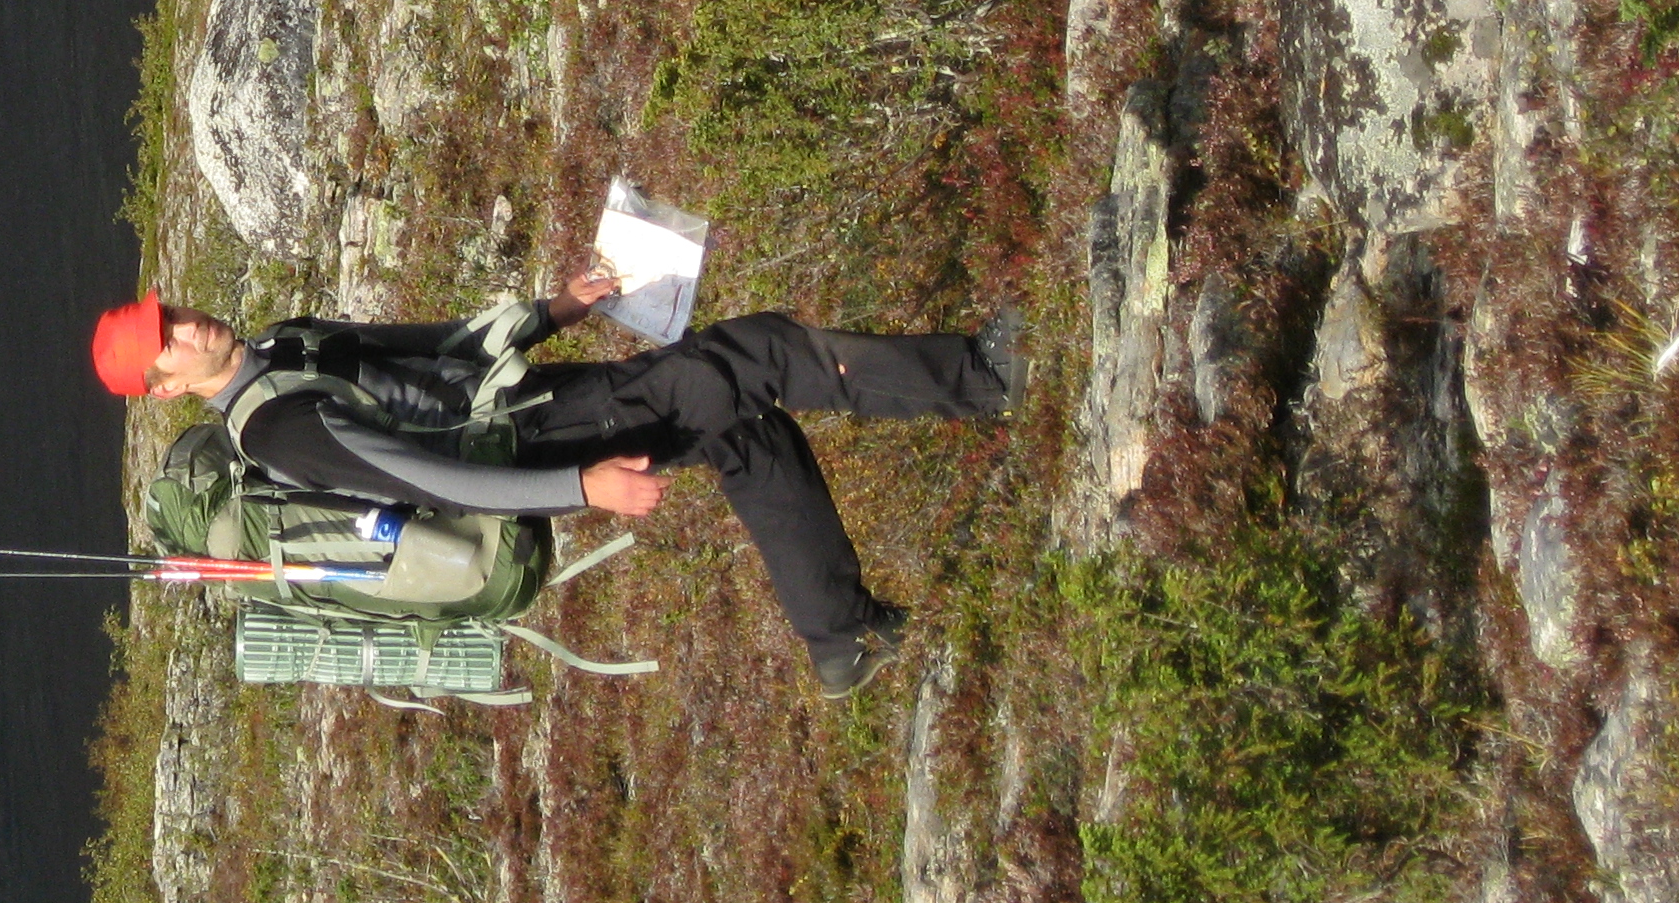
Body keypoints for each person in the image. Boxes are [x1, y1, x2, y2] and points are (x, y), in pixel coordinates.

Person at [88, 268, 1022, 695]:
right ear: (168, 388)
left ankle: (842, 639)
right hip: (538, 441)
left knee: (745, 430)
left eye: (166, 312)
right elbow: (437, 479)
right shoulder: (281, 426)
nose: (183, 325)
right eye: (164, 342)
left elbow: (440, 349)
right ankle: (983, 377)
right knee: (758, 356)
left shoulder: (285, 342)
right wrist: (582, 486)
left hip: (541, 399)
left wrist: (559, 307)